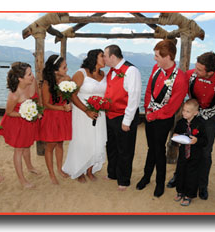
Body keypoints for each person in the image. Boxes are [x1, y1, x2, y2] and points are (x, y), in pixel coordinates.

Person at [168, 51, 215, 200]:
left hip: (210, 119)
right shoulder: (190, 75)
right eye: (196, 67)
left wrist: (211, 109)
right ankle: (178, 177)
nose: (195, 71)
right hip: (191, 115)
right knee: (184, 145)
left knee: (205, 153)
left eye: (199, 69)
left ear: (210, 72)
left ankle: (202, 185)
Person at [136, 40, 188, 198]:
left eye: (157, 55)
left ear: (168, 57)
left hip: (163, 120)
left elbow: (172, 107)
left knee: (159, 151)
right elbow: (148, 92)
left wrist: (154, 115)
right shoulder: (155, 68)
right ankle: (146, 177)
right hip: (150, 115)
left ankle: (159, 183)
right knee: (151, 148)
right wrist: (147, 110)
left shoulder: (180, 78)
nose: (154, 58)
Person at [63, 49, 107, 184]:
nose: (105, 58)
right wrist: (86, 110)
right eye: (102, 56)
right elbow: (72, 95)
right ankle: (79, 170)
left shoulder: (104, 74)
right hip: (82, 113)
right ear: (94, 58)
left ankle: (90, 169)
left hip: (99, 114)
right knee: (82, 140)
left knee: (97, 141)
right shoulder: (81, 73)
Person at [102, 44, 142, 191]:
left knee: (125, 149)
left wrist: (127, 120)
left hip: (124, 116)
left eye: (105, 56)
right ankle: (112, 173)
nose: (103, 59)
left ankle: (124, 180)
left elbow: (134, 97)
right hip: (110, 115)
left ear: (112, 56)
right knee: (111, 146)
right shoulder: (111, 71)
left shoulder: (131, 71)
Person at [0, 62, 40, 189]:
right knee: (19, 149)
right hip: (18, 122)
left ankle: (30, 167)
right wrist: (25, 114)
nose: (32, 76)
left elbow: (37, 99)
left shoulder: (33, 82)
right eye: (29, 74)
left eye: (31, 72)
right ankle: (22, 180)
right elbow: (9, 112)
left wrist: (37, 111)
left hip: (30, 120)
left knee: (28, 144)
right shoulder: (14, 94)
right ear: (20, 78)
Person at [39, 54, 73, 184]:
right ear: (55, 70)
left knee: (60, 143)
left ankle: (59, 168)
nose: (67, 69)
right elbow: (46, 104)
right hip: (52, 116)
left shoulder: (67, 79)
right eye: (64, 67)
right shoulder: (47, 84)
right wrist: (62, 109)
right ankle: (51, 173)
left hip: (63, 116)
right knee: (50, 146)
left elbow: (70, 95)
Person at [173, 99, 208, 206]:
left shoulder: (200, 124)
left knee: (191, 175)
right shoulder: (180, 122)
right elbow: (176, 132)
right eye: (183, 110)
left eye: (187, 111)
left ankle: (189, 195)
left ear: (195, 113)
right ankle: (180, 191)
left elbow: (205, 141)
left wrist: (197, 140)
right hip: (183, 153)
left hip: (195, 155)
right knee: (180, 172)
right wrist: (175, 136)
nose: (184, 113)